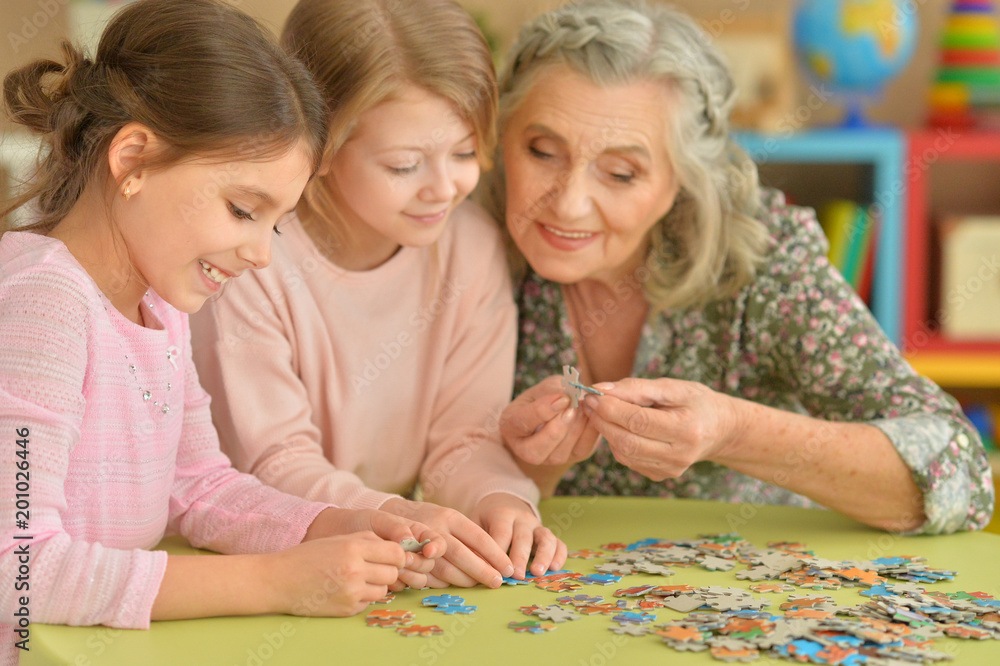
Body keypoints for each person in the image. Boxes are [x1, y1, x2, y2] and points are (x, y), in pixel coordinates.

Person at [0, 0, 445, 658]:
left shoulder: (160, 304)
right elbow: (19, 571)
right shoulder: (44, 303)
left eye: (276, 222)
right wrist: (273, 581)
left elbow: (199, 486)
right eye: (243, 209)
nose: (262, 253)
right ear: (133, 161)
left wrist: (337, 523)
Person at [484, 0, 994, 535]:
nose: (568, 205)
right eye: (542, 151)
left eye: (620, 173)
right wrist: (530, 470)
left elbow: (959, 471)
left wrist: (733, 431)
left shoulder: (762, 259)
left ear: (682, 180)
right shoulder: (461, 249)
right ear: (501, 139)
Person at [190, 0, 565, 588]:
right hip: (261, 559)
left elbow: (465, 437)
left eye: (465, 153)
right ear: (321, 146)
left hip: (381, 560)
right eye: (403, 165)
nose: (444, 188)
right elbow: (273, 464)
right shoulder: (255, 257)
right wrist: (396, 517)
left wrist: (500, 499)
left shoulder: (470, 245)